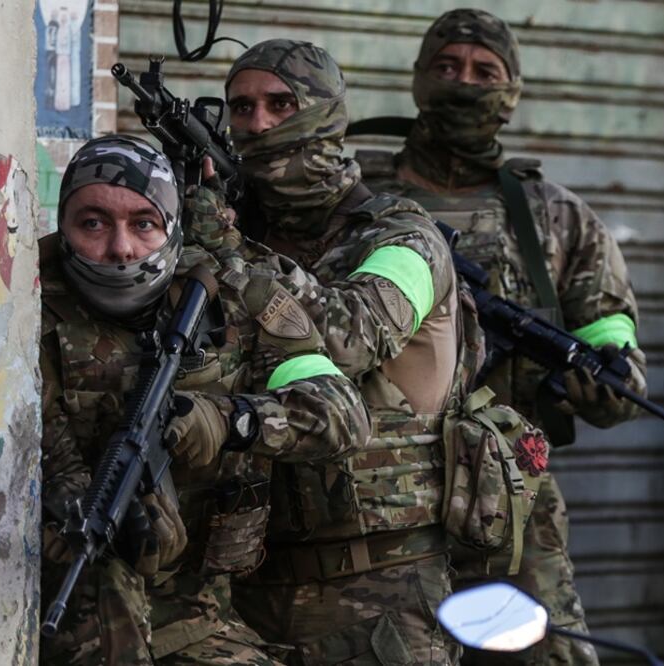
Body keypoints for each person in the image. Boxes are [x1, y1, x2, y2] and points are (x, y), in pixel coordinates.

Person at [351, 10, 647, 664]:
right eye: (447, 67)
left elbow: (614, 351)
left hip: (512, 500)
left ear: (511, 93)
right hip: (373, 498)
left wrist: (604, 377)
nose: (464, 83)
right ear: (418, 81)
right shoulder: (356, 195)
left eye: (485, 71)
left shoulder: (556, 218)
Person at [39, 135, 368, 664]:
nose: (121, 248)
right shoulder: (23, 306)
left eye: (144, 224)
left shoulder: (239, 294)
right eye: (93, 223)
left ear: (171, 226)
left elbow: (343, 414)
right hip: (67, 610)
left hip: (195, 618)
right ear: (65, 225)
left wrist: (232, 421)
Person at [220, 39, 469, 664]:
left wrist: (228, 254)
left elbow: (349, 337)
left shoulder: (406, 238)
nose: (260, 123)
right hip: (247, 586)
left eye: (281, 104)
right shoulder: (234, 229)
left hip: (381, 594)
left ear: (328, 113)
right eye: (242, 108)